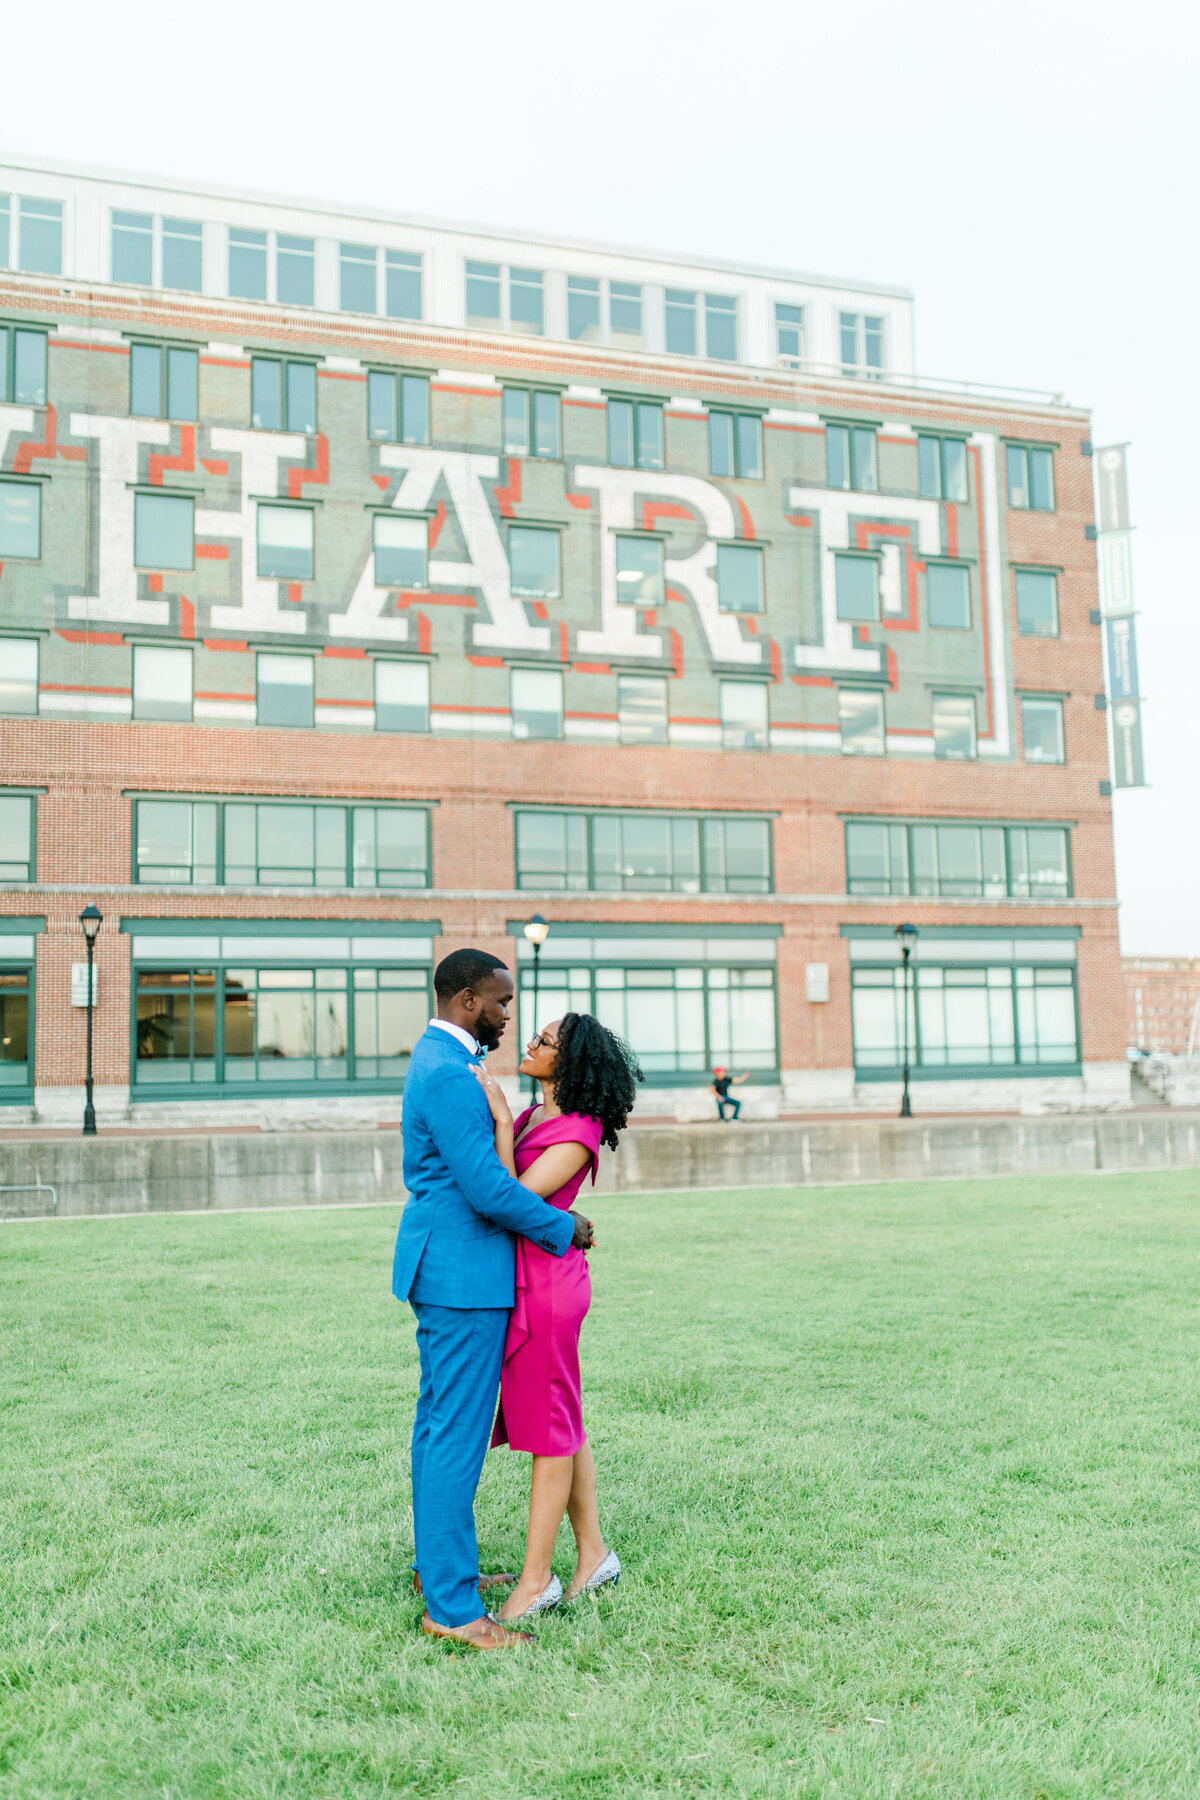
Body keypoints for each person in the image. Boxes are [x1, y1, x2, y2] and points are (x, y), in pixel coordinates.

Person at [392, 948, 595, 1652]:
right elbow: (486, 1190)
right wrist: (563, 1227)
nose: (509, 1017)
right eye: (502, 1003)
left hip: (451, 1269)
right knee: (453, 1436)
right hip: (463, 1276)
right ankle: (452, 1608)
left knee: (438, 1429)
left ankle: (441, 1571)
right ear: (469, 1001)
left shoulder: (441, 1061)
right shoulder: (449, 1072)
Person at [474, 1012, 642, 1624]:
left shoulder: (577, 1129)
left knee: (550, 1433)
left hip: (548, 1288)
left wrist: (496, 1120)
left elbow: (514, 1195)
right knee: (562, 1419)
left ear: (567, 1062)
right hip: (530, 1281)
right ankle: (593, 1555)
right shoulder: (539, 1115)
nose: (530, 1042)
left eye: (543, 1041)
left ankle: (536, 1580)